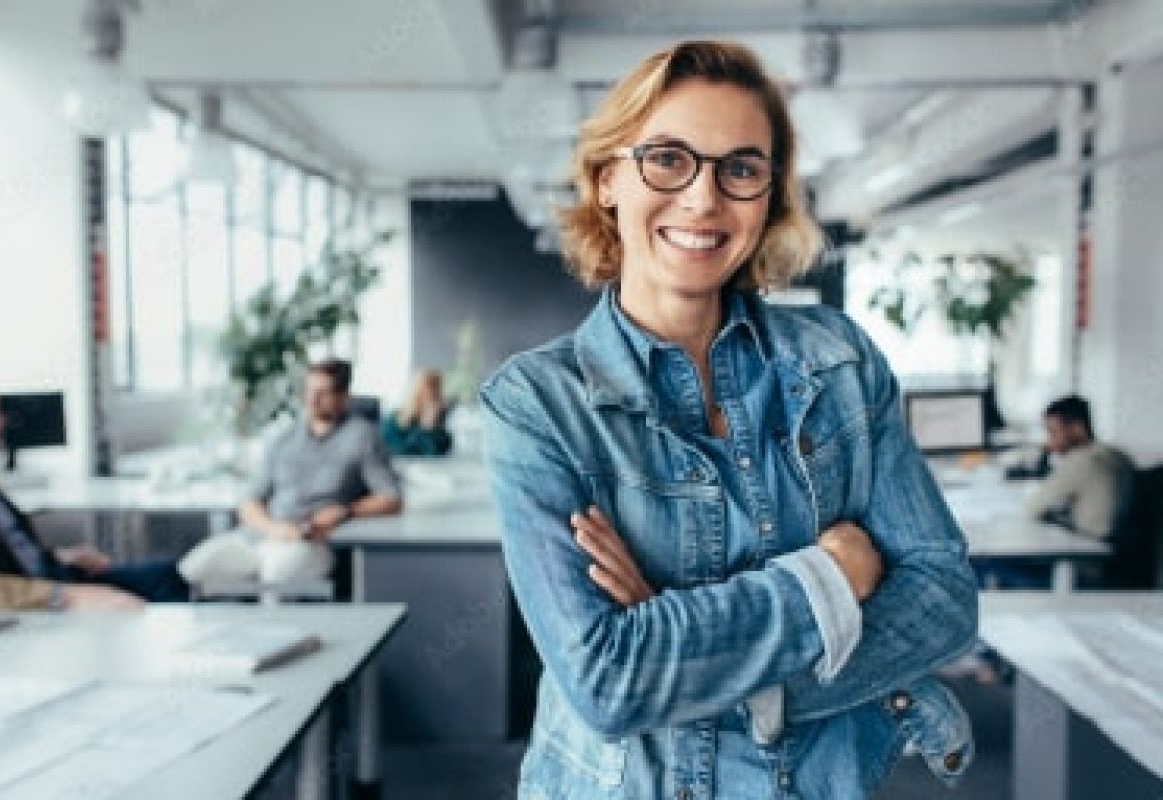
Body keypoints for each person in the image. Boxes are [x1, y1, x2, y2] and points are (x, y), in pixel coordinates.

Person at [480, 41, 979, 799]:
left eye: (740, 168)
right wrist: (830, 578)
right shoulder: (537, 403)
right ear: (609, 178)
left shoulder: (838, 363)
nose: (704, 199)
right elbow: (608, 681)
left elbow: (942, 598)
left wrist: (709, 664)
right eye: (669, 160)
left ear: (769, 196)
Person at [0, 369, 188, 610]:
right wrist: (62, 595)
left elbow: (8, 548)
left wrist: (59, 555)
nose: (3, 421)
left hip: (48, 576)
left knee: (165, 573)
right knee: (154, 592)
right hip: (33, 595)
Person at [179, 359, 401, 587]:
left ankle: (269, 616)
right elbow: (249, 502)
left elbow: (391, 498)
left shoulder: (362, 436)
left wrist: (345, 511)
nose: (313, 400)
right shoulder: (282, 436)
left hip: (313, 540)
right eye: (310, 391)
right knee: (194, 567)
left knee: (277, 572)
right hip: (264, 535)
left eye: (323, 393)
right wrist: (275, 529)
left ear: (345, 398)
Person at [1025, 394, 1134, 539]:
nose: (1049, 442)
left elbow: (1032, 507)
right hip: (1116, 548)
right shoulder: (1117, 454)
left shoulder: (1081, 460)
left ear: (1078, 428)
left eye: (1053, 432)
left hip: (1087, 549)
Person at [381, 369, 453, 456]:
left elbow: (435, 453)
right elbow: (401, 452)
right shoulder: (393, 420)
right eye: (428, 392)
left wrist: (429, 427)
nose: (432, 401)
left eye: (437, 393)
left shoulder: (440, 431)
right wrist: (424, 429)